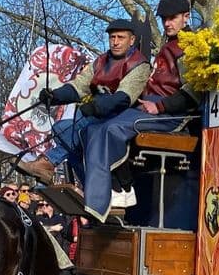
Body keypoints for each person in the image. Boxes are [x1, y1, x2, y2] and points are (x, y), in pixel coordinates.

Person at [24, 0, 200, 222]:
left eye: (172, 18)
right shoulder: (161, 47)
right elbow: (79, 86)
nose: (167, 23)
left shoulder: (188, 47)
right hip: (147, 109)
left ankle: (117, 191)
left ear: (186, 17)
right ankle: (98, 188)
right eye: (164, 18)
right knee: (78, 129)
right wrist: (54, 96)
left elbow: (194, 90)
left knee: (106, 129)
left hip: (170, 116)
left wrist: (161, 106)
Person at [19, 19, 151, 182]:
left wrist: (96, 107)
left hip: (122, 116)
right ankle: (83, 179)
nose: (115, 42)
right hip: (97, 112)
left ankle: (48, 163)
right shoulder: (101, 61)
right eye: (112, 37)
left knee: (77, 129)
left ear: (132, 40)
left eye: (120, 37)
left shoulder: (140, 64)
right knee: (61, 128)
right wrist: (54, 96)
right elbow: (79, 86)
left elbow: (124, 97)